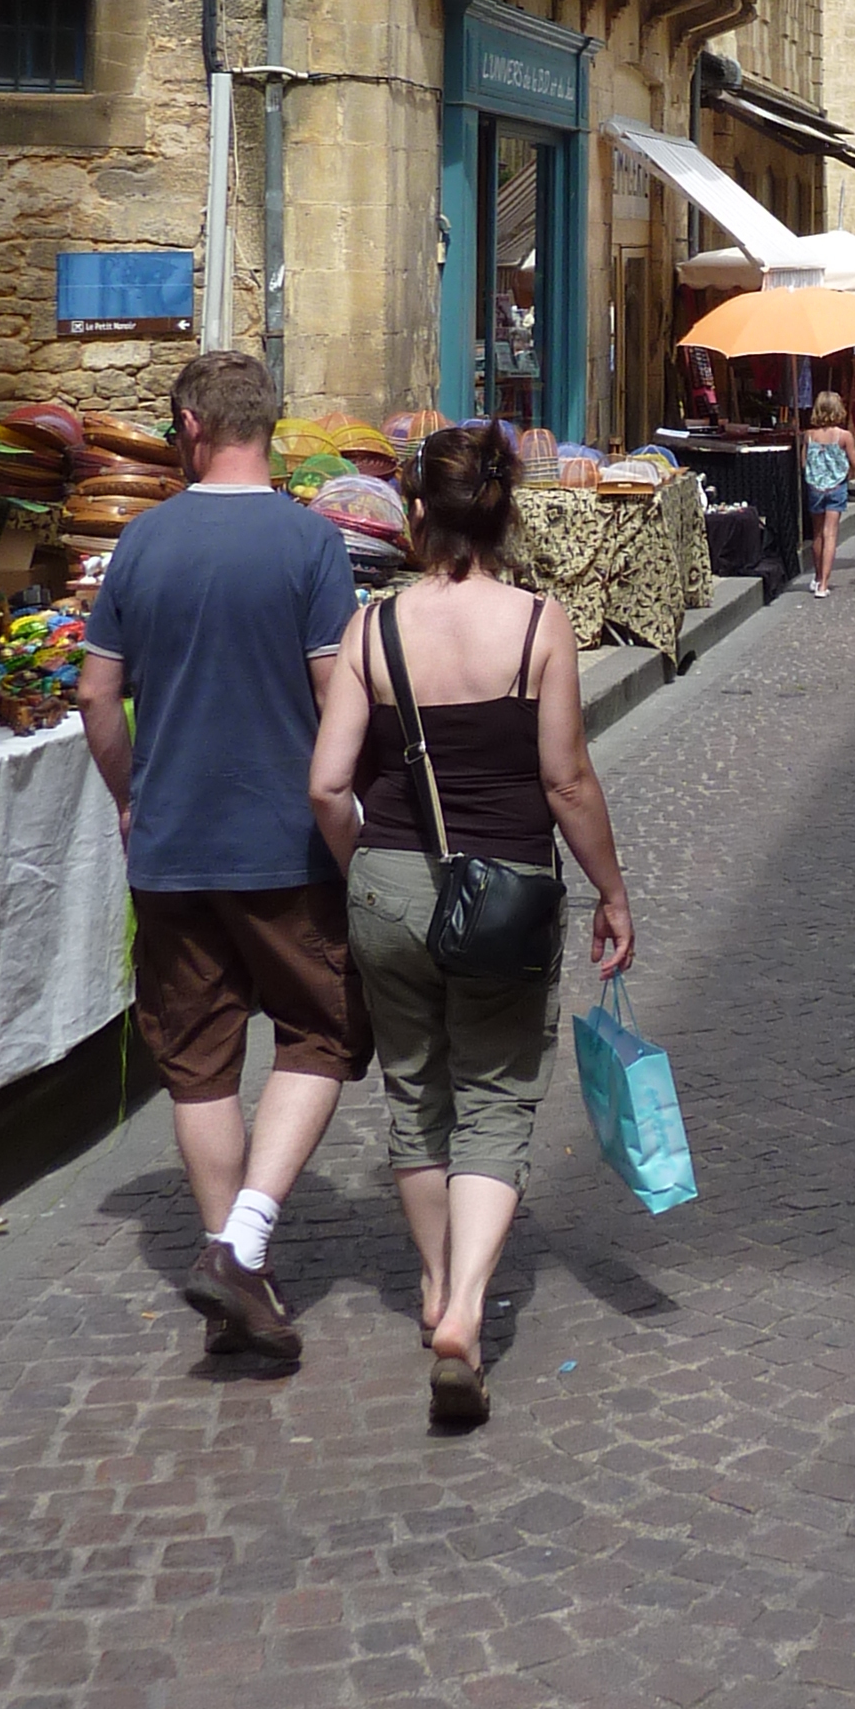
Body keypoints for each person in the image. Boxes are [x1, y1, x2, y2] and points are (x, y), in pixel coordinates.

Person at [308, 422, 634, 1430]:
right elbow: (566, 778)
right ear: (503, 515)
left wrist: (360, 871)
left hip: (389, 884)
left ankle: (436, 1279)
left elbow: (326, 784)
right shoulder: (541, 625)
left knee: (416, 1093)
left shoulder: (373, 630)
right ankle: (464, 1312)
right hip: (504, 890)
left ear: (418, 518)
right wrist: (613, 892)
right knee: (495, 1098)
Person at [73, 348, 372, 1369]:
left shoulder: (141, 543)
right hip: (282, 839)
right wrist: (348, 814)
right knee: (322, 1034)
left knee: (196, 1058)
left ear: (191, 428)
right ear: (267, 429)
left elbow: (93, 697)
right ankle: (244, 1244)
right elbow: (338, 692)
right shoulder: (309, 541)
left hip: (173, 844)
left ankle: (233, 1259)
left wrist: (128, 798)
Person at [802, 388, 855, 595]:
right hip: (836, 486)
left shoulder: (809, 435)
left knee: (817, 533)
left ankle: (817, 577)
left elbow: (803, 462)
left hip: (815, 487)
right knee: (830, 533)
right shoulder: (844, 436)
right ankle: (824, 584)